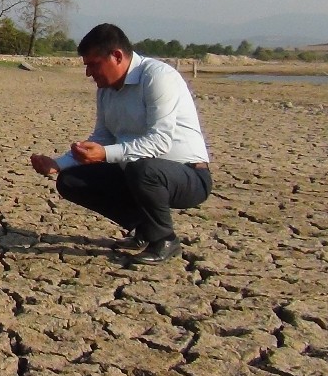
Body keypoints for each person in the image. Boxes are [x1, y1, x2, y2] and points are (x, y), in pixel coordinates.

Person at [30, 23, 212, 264]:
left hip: (188, 176)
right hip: (138, 174)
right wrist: (59, 163)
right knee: (71, 179)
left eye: (93, 65)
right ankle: (145, 229)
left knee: (143, 168)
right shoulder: (106, 91)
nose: (89, 74)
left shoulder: (157, 77)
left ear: (116, 56)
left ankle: (165, 239)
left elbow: (159, 142)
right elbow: (102, 138)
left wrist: (104, 153)